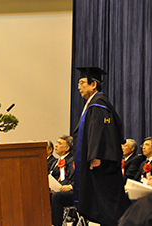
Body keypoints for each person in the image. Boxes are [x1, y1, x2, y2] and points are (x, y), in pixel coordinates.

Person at [72, 67, 130, 226]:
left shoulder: (99, 105)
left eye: (82, 83)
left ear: (93, 85)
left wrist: (95, 155)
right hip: (97, 161)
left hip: (101, 164)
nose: (79, 87)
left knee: (106, 205)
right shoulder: (94, 104)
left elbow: (100, 131)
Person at [50, 135, 75, 226]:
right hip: (58, 189)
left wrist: (70, 186)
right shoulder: (55, 162)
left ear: (67, 148)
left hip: (72, 191)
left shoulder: (73, 160)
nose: (56, 145)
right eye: (56, 143)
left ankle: (55, 224)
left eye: (59, 143)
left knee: (57, 196)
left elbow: (76, 178)